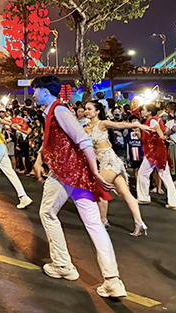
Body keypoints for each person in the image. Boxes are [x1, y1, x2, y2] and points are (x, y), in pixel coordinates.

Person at [31, 75, 126, 298]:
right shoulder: (53, 111)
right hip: (76, 174)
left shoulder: (60, 111)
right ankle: (112, 280)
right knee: (94, 224)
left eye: (36, 90)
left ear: (45, 91)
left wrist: (94, 171)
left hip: (66, 173)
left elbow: (83, 141)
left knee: (47, 213)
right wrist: (38, 160)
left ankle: (63, 265)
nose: (33, 94)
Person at [84, 101, 150, 236]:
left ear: (97, 112)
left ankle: (102, 221)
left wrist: (137, 125)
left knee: (98, 190)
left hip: (111, 162)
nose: (86, 111)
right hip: (104, 163)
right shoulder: (85, 129)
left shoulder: (101, 124)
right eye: (85, 109)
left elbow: (120, 124)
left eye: (89, 109)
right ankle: (139, 223)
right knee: (126, 194)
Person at [136, 104, 176, 210]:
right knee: (160, 175)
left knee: (145, 173)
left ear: (149, 112)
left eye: (143, 110)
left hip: (155, 153)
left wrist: (166, 134)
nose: (141, 112)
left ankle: (144, 197)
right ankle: (174, 202)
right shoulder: (154, 120)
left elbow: (161, 136)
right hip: (155, 152)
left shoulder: (152, 121)